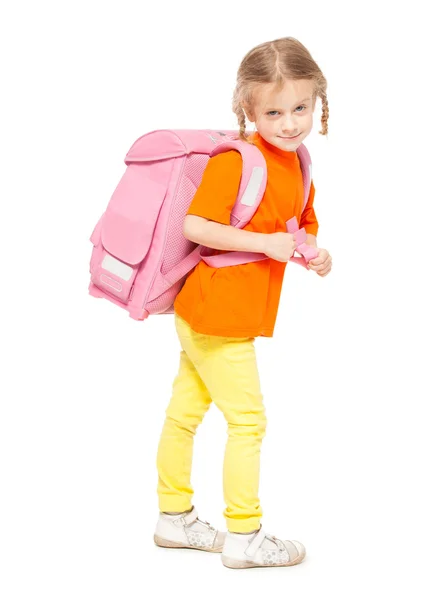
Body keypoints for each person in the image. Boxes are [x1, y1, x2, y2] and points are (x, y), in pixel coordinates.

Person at [154, 36, 332, 569]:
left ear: (317, 100)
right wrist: (264, 245)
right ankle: (244, 535)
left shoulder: (297, 162)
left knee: (185, 412)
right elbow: (196, 225)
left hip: (220, 312)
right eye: (273, 111)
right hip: (217, 313)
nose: (289, 122)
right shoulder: (238, 159)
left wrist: (312, 253)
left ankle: (173, 518)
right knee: (249, 422)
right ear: (247, 109)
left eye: (300, 107)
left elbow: (295, 226)